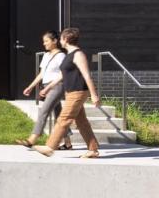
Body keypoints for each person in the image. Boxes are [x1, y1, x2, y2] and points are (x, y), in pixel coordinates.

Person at [33, 27, 102, 159]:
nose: (59, 40)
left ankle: (50, 147)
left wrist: (94, 95)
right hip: (71, 92)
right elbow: (61, 76)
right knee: (81, 122)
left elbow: (87, 75)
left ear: (65, 39)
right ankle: (93, 149)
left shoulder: (78, 54)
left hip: (78, 92)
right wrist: (48, 88)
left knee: (63, 119)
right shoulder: (68, 55)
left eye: (61, 38)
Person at [16, 30, 72, 149]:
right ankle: (68, 143)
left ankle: (32, 139)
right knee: (59, 115)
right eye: (43, 41)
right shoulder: (46, 55)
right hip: (47, 86)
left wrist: (49, 88)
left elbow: (63, 74)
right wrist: (30, 87)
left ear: (55, 41)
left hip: (57, 86)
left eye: (46, 41)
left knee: (43, 111)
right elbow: (42, 74)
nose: (44, 43)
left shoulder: (61, 56)